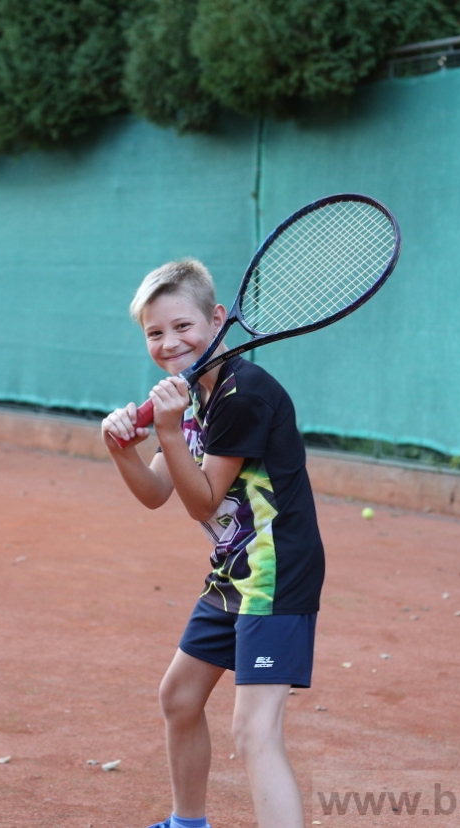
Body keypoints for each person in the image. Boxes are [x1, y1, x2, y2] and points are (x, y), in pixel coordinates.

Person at [101, 258, 325, 828]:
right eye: (155, 332)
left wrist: (169, 430)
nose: (169, 342)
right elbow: (156, 493)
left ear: (218, 320)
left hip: (277, 572)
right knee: (179, 697)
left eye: (183, 327)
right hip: (237, 567)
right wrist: (123, 449)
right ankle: (187, 823)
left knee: (253, 732)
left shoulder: (242, 394)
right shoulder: (193, 394)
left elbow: (200, 500)